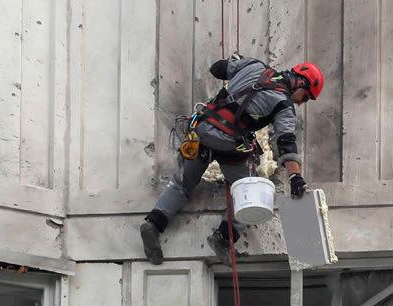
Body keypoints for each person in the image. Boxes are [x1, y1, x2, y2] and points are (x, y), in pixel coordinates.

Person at [139, 57, 325, 264]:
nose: (300, 102)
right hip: (229, 145)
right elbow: (286, 142)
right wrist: (295, 177)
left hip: (202, 131)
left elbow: (217, 68)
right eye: (305, 97)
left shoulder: (254, 65)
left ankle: (153, 224)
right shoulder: (284, 104)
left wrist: (237, 65)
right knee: (250, 193)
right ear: (301, 82)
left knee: (182, 184)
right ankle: (223, 238)